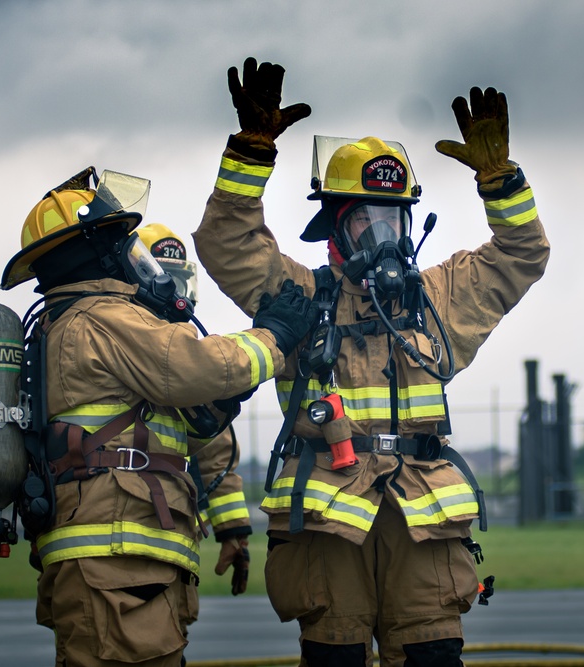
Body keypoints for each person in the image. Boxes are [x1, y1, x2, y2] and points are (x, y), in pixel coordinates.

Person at [192, 58, 550, 666]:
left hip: (423, 525)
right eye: (365, 218)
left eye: (393, 218)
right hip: (331, 529)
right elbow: (227, 244)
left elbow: (523, 252)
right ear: (336, 228)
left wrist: (501, 181)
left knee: (433, 656)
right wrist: (250, 156)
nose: (384, 233)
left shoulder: (440, 298)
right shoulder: (300, 298)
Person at [0, 166, 310, 667]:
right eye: (122, 241)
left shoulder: (70, 322)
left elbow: (189, 431)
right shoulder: (102, 316)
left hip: (116, 558)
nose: (131, 254)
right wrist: (275, 335)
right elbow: (196, 366)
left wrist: (229, 525)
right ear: (94, 249)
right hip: (116, 560)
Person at [134, 223, 254, 652]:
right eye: (164, 280)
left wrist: (233, 532)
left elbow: (216, 450)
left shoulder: (185, 350)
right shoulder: (125, 338)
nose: (176, 294)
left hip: (172, 534)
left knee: (169, 642)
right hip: (120, 530)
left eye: (180, 280)